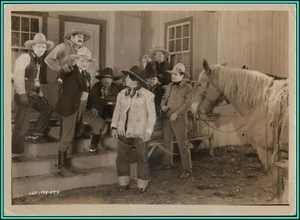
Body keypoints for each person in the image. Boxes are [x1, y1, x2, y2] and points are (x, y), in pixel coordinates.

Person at [111, 65, 156, 194]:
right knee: (122, 157)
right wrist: (114, 127)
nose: (125, 79)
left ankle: (142, 185)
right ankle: (123, 183)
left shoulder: (147, 95)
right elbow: (117, 112)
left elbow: (152, 115)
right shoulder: (121, 94)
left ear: (135, 80)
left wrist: (148, 132)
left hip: (140, 132)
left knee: (142, 158)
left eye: (128, 77)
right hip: (123, 131)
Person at [12, 33, 54, 161]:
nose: (41, 49)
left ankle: (36, 134)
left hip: (33, 94)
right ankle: (16, 152)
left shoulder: (38, 61)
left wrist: (41, 94)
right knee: (21, 125)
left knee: (47, 109)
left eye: (43, 47)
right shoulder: (25, 57)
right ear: (33, 47)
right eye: (39, 46)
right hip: (23, 94)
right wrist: (22, 94)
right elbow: (18, 76)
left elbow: (36, 80)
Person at [54, 47, 95, 176]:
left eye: (87, 61)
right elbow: (61, 73)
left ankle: (63, 163)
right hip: (69, 107)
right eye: (82, 60)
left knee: (73, 134)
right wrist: (65, 69)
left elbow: (87, 91)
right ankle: (61, 167)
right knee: (67, 136)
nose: (85, 63)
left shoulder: (87, 75)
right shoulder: (70, 71)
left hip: (81, 107)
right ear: (76, 60)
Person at [45, 28, 91, 138]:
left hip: (78, 82)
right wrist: (61, 69)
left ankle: (73, 135)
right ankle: (64, 138)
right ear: (71, 37)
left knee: (78, 107)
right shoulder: (62, 47)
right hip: (66, 81)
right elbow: (48, 59)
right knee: (66, 109)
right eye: (79, 36)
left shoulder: (82, 50)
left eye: (83, 37)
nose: (81, 38)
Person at [160, 63, 193, 178]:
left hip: (179, 118)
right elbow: (164, 98)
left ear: (182, 76)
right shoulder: (169, 86)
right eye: (172, 74)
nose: (173, 76)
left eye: (176, 74)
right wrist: (162, 106)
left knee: (182, 143)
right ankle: (167, 163)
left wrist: (177, 113)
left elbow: (187, 104)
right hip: (167, 117)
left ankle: (187, 169)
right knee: (167, 141)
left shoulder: (188, 88)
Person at [84, 67, 121, 153]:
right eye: (105, 78)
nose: (107, 81)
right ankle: (93, 143)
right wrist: (107, 100)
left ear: (112, 80)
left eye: (109, 79)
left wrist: (103, 97)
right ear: (101, 80)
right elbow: (94, 99)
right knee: (98, 115)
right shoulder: (96, 86)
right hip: (99, 110)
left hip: (111, 110)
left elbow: (117, 98)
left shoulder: (115, 87)